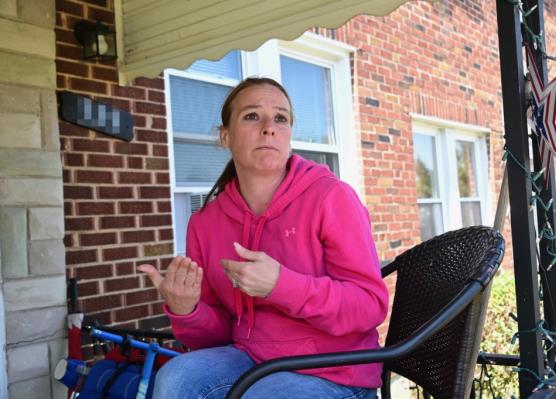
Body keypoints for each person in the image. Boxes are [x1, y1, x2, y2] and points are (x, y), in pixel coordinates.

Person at [139, 77, 389, 399]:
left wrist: (281, 285)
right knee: (176, 377)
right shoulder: (205, 223)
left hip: (334, 369)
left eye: (281, 118)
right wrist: (186, 310)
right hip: (252, 359)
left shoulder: (331, 197)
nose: (269, 127)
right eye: (253, 116)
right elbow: (215, 337)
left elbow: (369, 306)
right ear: (225, 136)